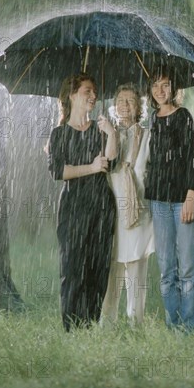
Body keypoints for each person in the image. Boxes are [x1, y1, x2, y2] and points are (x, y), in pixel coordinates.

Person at [47, 73, 118, 331]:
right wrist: (90, 167)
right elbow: (58, 171)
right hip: (74, 207)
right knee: (73, 268)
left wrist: (111, 134)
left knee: (98, 268)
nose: (93, 95)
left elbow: (110, 162)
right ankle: (71, 328)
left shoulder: (100, 130)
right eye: (87, 90)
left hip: (101, 206)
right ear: (72, 94)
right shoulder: (59, 134)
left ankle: (88, 325)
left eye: (95, 91)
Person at [144, 66, 194, 331]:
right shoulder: (151, 121)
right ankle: (173, 322)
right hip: (159, 201)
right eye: (155, 85)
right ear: (150, 90)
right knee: (167, 268)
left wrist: (191, 195)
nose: (160, 90)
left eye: (165, 84)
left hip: (183, 199)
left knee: (188, 267)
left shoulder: (183, 116)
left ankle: (189, 327)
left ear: (173, 88)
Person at [101, 85, 154, 325]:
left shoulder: (148, 135)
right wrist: (111, 133)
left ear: (139, 107)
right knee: (112, 268)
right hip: (112, 210)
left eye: (131, 101)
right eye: (120, 100)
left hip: (138, 210)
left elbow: (152, 170)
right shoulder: (105, 134)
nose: (124, 105)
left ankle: (135, 322)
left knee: (136, 267)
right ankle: (107, 322)